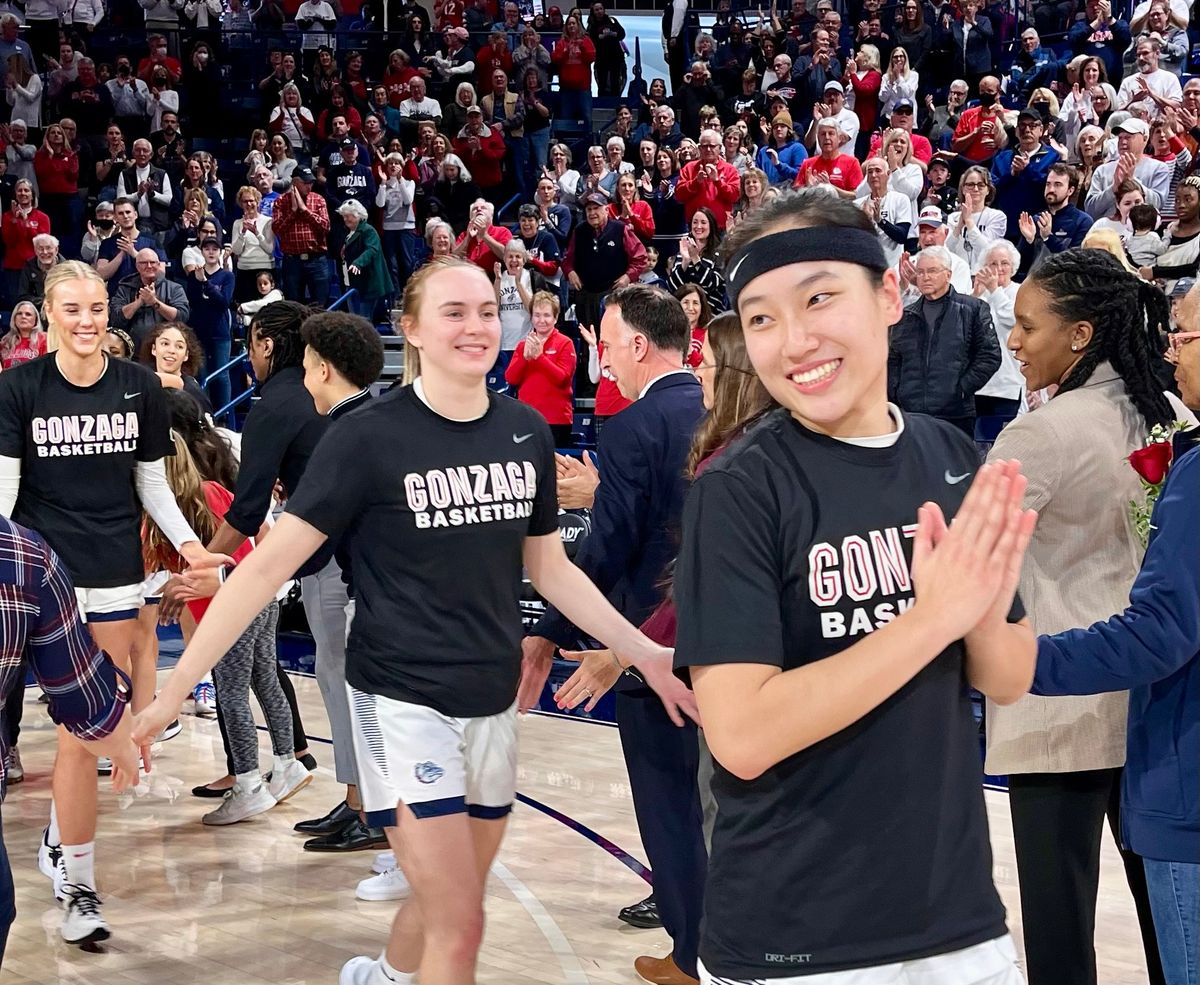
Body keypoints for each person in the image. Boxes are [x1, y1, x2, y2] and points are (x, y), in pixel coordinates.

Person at [131, 258, 679, 985]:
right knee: (462, 920)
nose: (476, 325)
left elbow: (551, 570)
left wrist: (642, 648)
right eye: (454, 312)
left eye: (487, 310)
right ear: (412, 328)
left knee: (451, 896)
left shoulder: (523, 431)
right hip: (400, 702)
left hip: (491, 703)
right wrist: (173, 690)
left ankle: (386, 974)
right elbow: (264, 569)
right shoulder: (366, 438)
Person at [671, 188, 1036, 985]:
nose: (793, 340)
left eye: (819, 298)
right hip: (797, 938)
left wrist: (973, 614)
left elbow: (1009, 675)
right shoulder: (739, 487)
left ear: (890, 294)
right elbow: (741, 733)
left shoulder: (948, 454)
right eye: (761, 318)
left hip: (957, 918)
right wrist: (929, 619)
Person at [984, 248, 1195, 985]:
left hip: (1060, 708)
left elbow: (968, 561)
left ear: (1080, 334)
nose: (1014, 341)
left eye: (1026, 325)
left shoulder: (1041, 434)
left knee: (1060, 933)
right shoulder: (1172, 413)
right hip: (1150, 702)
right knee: (1172, 928)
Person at [0, 261, 223, 945]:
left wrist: (189, 547)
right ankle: (76, 878)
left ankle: (73, 870)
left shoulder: (140, 389)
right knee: (79, 735)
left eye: (97, 306)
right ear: (47, 311)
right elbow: (5, 490)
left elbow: (152, 484)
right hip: (42, 577)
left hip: (117, 576)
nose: (87, 320)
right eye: (71, 308)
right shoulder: (18, 388)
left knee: (81, 735)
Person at [522, 284, 707, 985]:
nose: (603, 357)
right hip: (724, 636)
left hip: (647, 640)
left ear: (636, 343)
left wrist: (550, 632)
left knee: (669, 804)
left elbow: (609, 549)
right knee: (716, 802)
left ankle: (692, 955)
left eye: (605, 341)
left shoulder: (634, 423)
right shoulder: (719, 409)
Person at [0, 513, 140, 962]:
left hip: (107, 566)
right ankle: (75, 877)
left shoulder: (25, 556)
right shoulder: (23, 555)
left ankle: (78, 879)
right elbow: (85, 701)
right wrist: (125, 740)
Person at [887, 245, 1002, 436]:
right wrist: (897, 394)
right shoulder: (905, 316)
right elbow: (893, 360)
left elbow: (990, 356)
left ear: (948, 275)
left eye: (932, 271)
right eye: (921, 272)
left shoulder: (972, 309)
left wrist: (961, 390)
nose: (925, 277)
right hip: (910, 416)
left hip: (955, 416)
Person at [504, 290, 577, 445]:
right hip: (527, 418)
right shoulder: (523, 345)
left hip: (556, 420)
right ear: (531, 317)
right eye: (537, 315)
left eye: (546, 315)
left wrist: (540, 357)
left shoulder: (565, 343)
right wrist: (525, 358)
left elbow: (562, 379)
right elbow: (511, 378)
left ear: (555, 318)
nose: (541, 320)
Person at [971, 239, 1026, 424]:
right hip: (979, 386)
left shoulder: (1021, 292)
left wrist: (994, 290)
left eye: (1004, 263)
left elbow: (1012, 319)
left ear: (1013, 267)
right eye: (993, 264)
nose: (999, 268)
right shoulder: (979, 296)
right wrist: (975, 297)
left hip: (1008, 385)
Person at [1016, 163, 1095, 273]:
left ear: (1070, 190)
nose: (1051, 189)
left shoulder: (1083, 221)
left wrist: (1048, 238)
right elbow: (1021, 266)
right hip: (1035, 283)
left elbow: (1075, 263)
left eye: (1058, 184)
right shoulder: (1036, 220)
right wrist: (1029, 241)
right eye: (1048, 184)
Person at [1085, 118, 1172, 219]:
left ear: (1145, 138)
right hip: (1108, 230)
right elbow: (1090, 210)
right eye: (1120, 138)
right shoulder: (1102, 170)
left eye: (1128, 137)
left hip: (1142, 230)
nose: (1123, 142)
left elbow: (1158, 204)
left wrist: (1132, 180)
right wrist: (1113, 188)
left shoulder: (1159, 168)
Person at [272, 166, 331, 306]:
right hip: (292, 261)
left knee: (320, 304)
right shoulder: (280, 201)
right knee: (293, 305)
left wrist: (305, 211)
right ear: (295, 182)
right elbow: (277, 230)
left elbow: (326, 227)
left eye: (311, 182)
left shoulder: (318, 199)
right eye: (305, 183)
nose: (309, 186)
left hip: (316, 259)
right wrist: (293, 212)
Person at [110, 248, 190, 351]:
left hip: (165, 351)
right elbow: (116, 319)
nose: (149, 266)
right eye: (144, 263)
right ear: (137, 266)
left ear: (158, 265)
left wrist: (154, 302)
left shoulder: (174, 288)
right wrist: (138, 302)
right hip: (132, 352)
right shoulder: (125, 288)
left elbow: (182, 317)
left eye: (152, 262)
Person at [338, 199, 391, 322]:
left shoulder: (368, 230)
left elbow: (371, 250)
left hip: (368, 285)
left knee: (363, 321)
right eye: (344, 217)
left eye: (348, 216)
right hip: (352, 283)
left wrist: (358, 263)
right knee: (355, 320)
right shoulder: (350, 233)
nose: (345, 219)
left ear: (358, 215)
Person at [856, 155, 912, 270]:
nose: (873, 175)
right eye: (870, 172)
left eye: (878, 170)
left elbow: (901, 236)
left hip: (893, 267)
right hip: (867, 267)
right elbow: (853, 240)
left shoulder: (900, 199)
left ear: (888, 174)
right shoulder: (858, 204)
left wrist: (880, 221)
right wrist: (865, 222)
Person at [0, 299, 46, 368]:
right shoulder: (5, 342)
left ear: (35, 320)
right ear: (14, 318)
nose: (23, 316)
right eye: (19, 313)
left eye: (28, 314)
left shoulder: (44, 339)